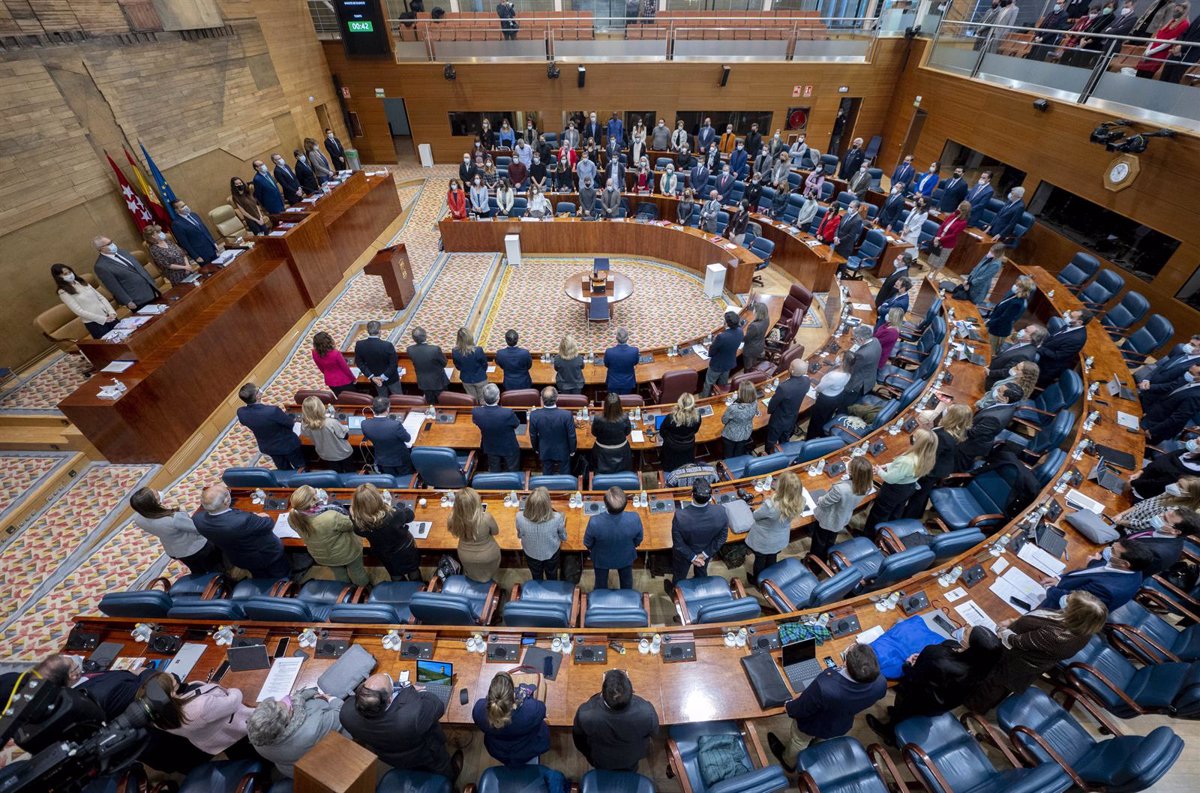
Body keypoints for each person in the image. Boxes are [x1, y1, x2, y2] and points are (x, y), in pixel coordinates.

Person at [967, 591, 1108, 712]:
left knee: (993, 685)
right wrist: (1014, 620)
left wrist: (1001, 630)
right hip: (1029, 657)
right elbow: (1041, 618)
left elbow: (1018, 642)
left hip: (1015, 662)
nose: (1066, 597)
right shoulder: (1083, 626)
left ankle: (974, 708)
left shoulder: (1057, 635)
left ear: (1074, 614)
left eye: (1069, 600)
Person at [866, 627, 1002, 746]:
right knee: (908, 713)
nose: (964, 629)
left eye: (966, 632)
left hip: (918, 696)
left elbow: (914, 676)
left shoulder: (938, 657)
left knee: (903, 712)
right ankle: (896, 716)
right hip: (939, 705)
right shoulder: (983, 668)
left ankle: (889, 734)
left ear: (971, 647)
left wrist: (908, 665)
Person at [767, 643, 886, 770]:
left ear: (845, 664)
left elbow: (801, 708)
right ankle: (813, 752)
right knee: (820, 741)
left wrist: (789, 707)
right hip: (839, 724)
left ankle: (789, 763)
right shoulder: (880, 683)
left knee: (799, 741)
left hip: (811, 724)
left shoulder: (825, 686)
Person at [341, 674, 461, 781]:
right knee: (443, 770)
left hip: (392, 757)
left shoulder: (346, 714)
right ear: (389, 699)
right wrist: (416, 693)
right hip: (426, 755)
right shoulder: (413, 715)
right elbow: (437, 705)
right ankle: (451, 781)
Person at [140, 672, 255, 759]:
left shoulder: (158, 717)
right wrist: (233, 690)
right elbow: (234, 701)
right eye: (174, 682)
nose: (175, 677)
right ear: (171, 694)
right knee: (253, 750)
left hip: (216, 740)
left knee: (239, 754)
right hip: (239, 729)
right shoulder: (200, 706)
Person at [572, 669, 659, 772]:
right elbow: (654, 734)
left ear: (602, 694)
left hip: (601, 759)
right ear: (631, 691)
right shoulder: (647, 712)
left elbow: (579, 742)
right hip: (632, 758)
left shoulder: (585, 714)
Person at [248, 688, 345, 778]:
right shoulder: (311, 729)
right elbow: (342, 712)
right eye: (288, 706)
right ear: (286, 723)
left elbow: (293, 701)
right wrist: (330, 699)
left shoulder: (256, 733)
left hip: (293, 769)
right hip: (319, 767)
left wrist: (305, 696)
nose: (287, 701)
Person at [130, 486, 223, 575]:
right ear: (153, 502)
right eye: (156, 494)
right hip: (197, 548)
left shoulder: (138, 519)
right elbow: (197, 529)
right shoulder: (174, 518)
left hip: (174, 550)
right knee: (215, 565)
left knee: (196, 569)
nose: (158, 492)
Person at [1038, 541, 1154, 612]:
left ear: (1125, 564)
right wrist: (1060, 580)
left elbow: (1071, 602)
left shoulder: (1108, 590)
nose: (1108, 550)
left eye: (1113, 550)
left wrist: (1050, 588)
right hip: (1064, 585)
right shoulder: (1134, 569)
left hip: (1057, 610)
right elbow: (1101, 571)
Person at [902, 406, 973, 519]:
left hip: (932, 469)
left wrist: (918, 438)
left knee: (919, 494)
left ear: (952, 417)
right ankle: (916, 514)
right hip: (942, 465)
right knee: (923, 492)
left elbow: (928, 454)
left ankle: (909, 518)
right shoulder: (959, 430)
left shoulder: (943, 436)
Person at [287, 486, 368, 585]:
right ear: (313, 500)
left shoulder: (293, 518)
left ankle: (345, 592)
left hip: (322, 556)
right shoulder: (331, 517)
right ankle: (363, 591)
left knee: (339, 575)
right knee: (357, 573)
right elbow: (352, 525)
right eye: (316, 492)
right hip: (347, 553)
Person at [864, 428, 937, 536]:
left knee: (879, 514)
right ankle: (888, 531)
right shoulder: (926, 456)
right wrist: (887, 466)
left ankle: (870, 536)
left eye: (915, 435)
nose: (912, 435)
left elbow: (890, 478)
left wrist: (879, 471)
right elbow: (903, 470)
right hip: (907, 488)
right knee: (895, 511)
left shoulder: (907, 460)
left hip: (893, 491)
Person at [474, 672, 549, 766]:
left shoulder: (478, 710)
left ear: (490, 695)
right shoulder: (531, 709)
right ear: (513, 695)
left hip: (499, 751)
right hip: (527, 750)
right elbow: (542, 708)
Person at [350, 483, 420, 581]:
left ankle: (401, 588)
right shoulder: (393, 514)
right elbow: (410, 516)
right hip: (405, 550)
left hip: (383, 553)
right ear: (377, 499)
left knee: (394, 573)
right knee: (413, 570)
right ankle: (418, 586)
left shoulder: (357, 522)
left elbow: (358, 532)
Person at [810, 456, 874, 561]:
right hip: (843, 516)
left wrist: (820, 498)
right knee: (831, 539)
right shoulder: (867, 484)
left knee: (819, 541)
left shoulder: (840, 489)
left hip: (828, 518)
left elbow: (823, 503)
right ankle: (826, 555)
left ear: (853, 473)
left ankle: (815, 563)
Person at [668, 480, 728, 589]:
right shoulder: (721, 511)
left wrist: (693, 557)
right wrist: (704, 554)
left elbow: (678, 543)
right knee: (701, 571)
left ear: (692, 495)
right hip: (706, 551)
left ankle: (676, 592)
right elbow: (722, 537)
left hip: (684, 555)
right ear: (710, 497)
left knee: (679, 575)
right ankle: (701, 590)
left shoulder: (680, 516)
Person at [746, 471, 803, 581]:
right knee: (772, 556)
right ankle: (770, 578)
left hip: (764, 540)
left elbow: (755, 516)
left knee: (760, 560)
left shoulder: (771, 505)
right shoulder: (800, 501)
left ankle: (757, 580)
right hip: (780, 538)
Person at [584, 487, 644, 590]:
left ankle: (599, 600)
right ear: (625, 504)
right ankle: (627, 598)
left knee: (600, 583)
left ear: (605, 504)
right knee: (627, 582)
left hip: (601, 558)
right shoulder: (634, 518)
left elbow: (587, 543)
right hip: (626, 556)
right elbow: (639, 539)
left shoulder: (594, 521)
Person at [237, 382, 305, 470]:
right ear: (257, 396)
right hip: (288, 444)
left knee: (283, 469)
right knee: (300, 466)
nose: (260, 390)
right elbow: (290, 424)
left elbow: (245, 422)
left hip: (269, 447)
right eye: (258, 390)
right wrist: (291, 416)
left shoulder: (241, 412)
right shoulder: (272, 411)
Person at [956, 382, 1023, 467]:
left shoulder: (994, 418)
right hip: (978, 432)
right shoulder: (1010, 405)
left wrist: (956, 422)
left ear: (1005, 398)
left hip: (969, 447)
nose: (996, 390)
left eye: (999, 390)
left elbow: (972, 433)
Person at [92, 235, 160, 311]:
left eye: (111, 242)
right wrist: (128, 301)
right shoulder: (101, 266)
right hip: (137, 299)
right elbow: (114, 287)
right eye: (108, 244)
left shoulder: (122, 252)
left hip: (151, 289)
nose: (112, 244)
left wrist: (152, 284)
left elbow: (139, 268)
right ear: (100, 248)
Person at [51, 263, 117, 339]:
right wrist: (103, 319)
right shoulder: (63, 292)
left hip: (109, 316)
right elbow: (79, 311)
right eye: (65, 274)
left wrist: (111, 312)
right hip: (95, 323)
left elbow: (100, 297)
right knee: (111, 346)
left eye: (70, 272)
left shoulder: (81, 282)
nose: (69, 275)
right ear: (58, 277)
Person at [448, 487, 501, 582]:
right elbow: (495, 532)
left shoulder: (452, 519)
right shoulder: (486, 518)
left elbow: (454, 532)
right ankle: (491, 585)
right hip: (488, 554)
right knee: (489, 574)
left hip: (465, 555)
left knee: (474, 572)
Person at [515, 486, 566, 581]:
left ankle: (538, 587)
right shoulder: (557, 518)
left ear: (529, 503)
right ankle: (551, 586)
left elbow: (519, 535)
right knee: (552, 572)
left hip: (530, 553)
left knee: (536, 574)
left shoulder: (519, 517)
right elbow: (563, 536)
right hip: (551, 552)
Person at [1116, 476, 1200, 531]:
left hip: (1128, 530)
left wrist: (1120, 522)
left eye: (1180, 486)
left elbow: (1141, 525)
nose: (1174, 485)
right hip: (1124, 518)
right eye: (1177, 482)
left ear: (1189, 495)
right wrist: (1121, 514)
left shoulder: (1174, 512)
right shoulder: (1169, 493)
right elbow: (1142, 503)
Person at [1144, 366, 1200, 444]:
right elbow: (1169, 390)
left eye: (1191, 373)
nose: (1187, 374)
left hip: (1156, 428)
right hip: (1152, 416)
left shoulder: (1197, 395)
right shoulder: (1190, 380)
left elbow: (1177, 418)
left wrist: (1152, 431)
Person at [473, 383, 521, 473]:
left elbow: (476, 422)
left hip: (490, 445)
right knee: (512, 469)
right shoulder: (507, 413)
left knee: (494, 470)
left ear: (483, 397)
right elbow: (516, 424)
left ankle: (496, 485)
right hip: (508, 446)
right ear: (498, 398)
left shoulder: (476, 412)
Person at [299, 396, 354, 472]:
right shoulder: (331, 422)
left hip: (325, 455)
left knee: (335, 472)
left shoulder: (304, 424)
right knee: (350, 471)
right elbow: (345, 436)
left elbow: (306, 435)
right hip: (343, 454)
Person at [1035, 309, 1088, 387]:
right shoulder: (1071, 324)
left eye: (1071, 317)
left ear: (1079, 322)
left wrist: (1039, 348)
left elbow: (1057, 356)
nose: (1067, 316)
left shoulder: (1077, 339)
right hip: (1044, 353)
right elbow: (1054, 337)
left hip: (1046, 368)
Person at [362, 397, 414, 476]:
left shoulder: (364, 424)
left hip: (381, 460)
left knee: (389, 478)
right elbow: (407, 439)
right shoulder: (395, 425)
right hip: (400, 459)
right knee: (406, 477)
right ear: (388, 409)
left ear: (373, 409)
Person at [766, 360, 811, 451]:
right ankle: (784, 453)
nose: (789, 367)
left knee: (771, 441)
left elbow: (773, 404)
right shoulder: (807, 381)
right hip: (792, 417)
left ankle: (768, 457)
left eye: (791, 366)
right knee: (785, 440)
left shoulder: (784, 387)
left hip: (779, 420)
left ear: (792, 371)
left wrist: (770, 411)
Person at [530, 387, 576, 475]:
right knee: (565, 472)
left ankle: (548, 487)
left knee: (547, 472)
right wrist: (572, 450)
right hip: (563, 450)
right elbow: (571, 435)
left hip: (545, 449)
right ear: (557, 398)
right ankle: (566, 487)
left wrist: (536, 448)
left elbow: (533, 435)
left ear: (542, 399)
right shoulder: (566, 415)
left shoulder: (534, 415)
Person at [1136, 3, 1190, 77]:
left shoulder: (1184, 24)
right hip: (1150, 50)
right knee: (1139, 73)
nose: (1175, 12)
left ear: (1184, 11)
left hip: (1159, 53)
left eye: (1178, 10)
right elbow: (1157, 36)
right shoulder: (1172, 21)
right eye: (1175, 10)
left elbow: (1171, 41)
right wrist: (1147, 50)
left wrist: (1151, 51)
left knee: (1147, 75)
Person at [1130, 444, 1200, 500]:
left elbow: (1159, 483)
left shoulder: (1192, 471)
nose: (1198, 439)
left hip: (1143, 492)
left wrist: (1132, 483)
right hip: (1140, 476)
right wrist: (1141, 471)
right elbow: (1160, 460)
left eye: (1198, 443)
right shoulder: (1186, 452)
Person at [805, 356, 851, 441]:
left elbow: (820, 387)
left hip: (825, 400)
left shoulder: (834, 376)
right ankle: (818, 433)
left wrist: (815, 388)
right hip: (837, 397)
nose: (838, 358)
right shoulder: (848, 373)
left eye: (840, 358)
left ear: (843, 362)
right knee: (825, 418)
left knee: (815, 421)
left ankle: (809, 439)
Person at [702, 311, 745, 397]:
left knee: (709, 383)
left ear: (726, 323)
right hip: (729, 363)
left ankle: (704, 399)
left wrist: (714, 343)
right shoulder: (740, 331)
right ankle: (720, 397)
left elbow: (711, 353)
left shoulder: (721, 336)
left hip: (717, 365)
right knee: (723, 383)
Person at [355, 320, 402, 396]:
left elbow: (359, 363)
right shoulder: (387, 345)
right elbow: (394, 364)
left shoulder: (359, 345)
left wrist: (372, 377)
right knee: (398, 398)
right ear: (380, 331)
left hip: (375, 379)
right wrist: (383, 376)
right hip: (391, 378)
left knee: (382, 398)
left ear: (368, 331)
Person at [986, 278, 1033, 354]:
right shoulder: (1014, 295)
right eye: (1017, 285)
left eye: (1019, 286)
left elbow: (1005, 318)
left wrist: (989, 323)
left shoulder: (1017, 303)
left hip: (999, 330)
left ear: (1024, 289)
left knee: (991, 350)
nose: (1016, 287)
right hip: (995, 323)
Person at [407, 326, 450, 405]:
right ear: (426, 336)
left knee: (430, 402)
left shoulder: (410, 349)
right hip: (438, 381)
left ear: (413, 339)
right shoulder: (435, 349)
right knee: (443, 401)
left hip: (423, 382)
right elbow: (444, 363)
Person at [591, 393, 633, 474]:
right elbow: (627, 432)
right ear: (619, 405)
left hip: (601, 451)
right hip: (621, 450)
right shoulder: (624, 417)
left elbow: (594, 433)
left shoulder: (598, 418)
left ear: (605, 405)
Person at [660, 393, 702, 472]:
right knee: (685, 466)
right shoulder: (697, 416)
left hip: (671, 447)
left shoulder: (671, 417)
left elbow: (662, 432)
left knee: (669, 467)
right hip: (688, 446)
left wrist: (669, 438)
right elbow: (695, 430)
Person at [842, 324, 882, 407]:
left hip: (858, 384)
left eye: (855, 339)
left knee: (846, 405)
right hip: (870, 376)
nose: (854, 340)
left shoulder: (863, 354)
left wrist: (843, 360)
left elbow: (851, 369)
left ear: (861, 339)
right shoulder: (875, 340)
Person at [721, 381, 761, 459]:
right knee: (738, 453)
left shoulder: (734, 408)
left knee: (728, 456)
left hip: (731, 435)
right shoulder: (755, 402)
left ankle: (728, 468)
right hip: (746, 433)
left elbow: (724, 420)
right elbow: (756, 412)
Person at [927, 201, 971, 270]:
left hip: (947, 243)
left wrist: (940, 239)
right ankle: (929, 274)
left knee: (939, 262)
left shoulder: (963, 222)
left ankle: (933, 277)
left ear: (963, 211)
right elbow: (942, 226)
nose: (957, 208)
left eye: (959, 207)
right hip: (939, 238)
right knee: (932, 260)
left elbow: (953, 235)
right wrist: (937, 237)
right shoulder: (953, 215)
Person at [452, 326, 490, 403]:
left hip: (466, 380)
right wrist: (481, 371)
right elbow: (484, 364)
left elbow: (458, 366)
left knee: (473, 401)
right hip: (480, 378)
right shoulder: (478, 350)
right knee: (484, 401)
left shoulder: (455, 351)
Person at [312, 331, 355, 396]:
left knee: (341, 397)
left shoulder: (314, 353)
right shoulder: (336, 353)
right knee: (354, 396)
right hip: (344, 380)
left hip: (330, 381)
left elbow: (321, 368)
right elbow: (345, 368)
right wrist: (353, 378)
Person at [603, 328, 639, 395]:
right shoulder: (634, 351)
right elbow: (635, 363)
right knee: (625, 401)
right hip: (628, 382)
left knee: (613, 401)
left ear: (616, 338)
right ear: (628, 338)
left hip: (613, 382)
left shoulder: (609, 352)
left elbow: (606, 365)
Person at [873, 307, 905, 373]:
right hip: (875, 349)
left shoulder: (892, 333)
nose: (887, 315)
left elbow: (876, 343)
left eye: (889, 314)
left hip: (876, 357)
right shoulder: (888, 324)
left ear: (893, 318)